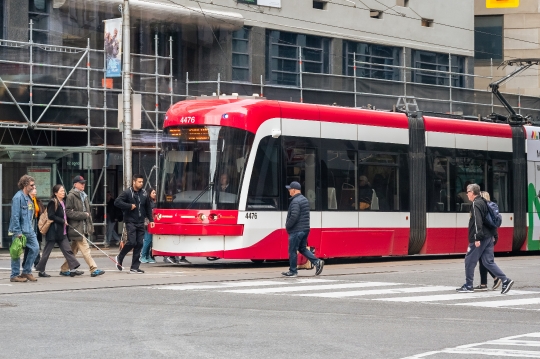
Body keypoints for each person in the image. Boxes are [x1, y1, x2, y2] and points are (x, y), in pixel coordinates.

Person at [456, 183, 513, 294]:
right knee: (488, 262)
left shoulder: (475, 204)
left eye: (467, 192)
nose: (466, 194)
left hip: (480, 237)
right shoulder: (484, 202)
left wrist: (477, 237)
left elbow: (477, 222)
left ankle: (468, 285)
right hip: (489, 236)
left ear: (472, 192)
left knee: (469, 261)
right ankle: (505, 280)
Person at [60, 175, 105, 277]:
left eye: (84, 183)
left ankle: (64, 268)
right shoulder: (71, 196)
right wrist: (83, 215)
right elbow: (68, 212)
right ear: (75, 184)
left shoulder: (83, 195)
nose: (83, 185)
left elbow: (86, 211)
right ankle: (93, 269)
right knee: (86, 249)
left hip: (83, 226)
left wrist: (88, 221)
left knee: (73, 251)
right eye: (81, 183)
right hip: (76, 228)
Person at [35, 185, 82, 278]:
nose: (63, 192)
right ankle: (41, 270)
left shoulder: (63, 202)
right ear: (56, 193)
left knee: (68, 250)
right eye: (61, 191)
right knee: (47, 252)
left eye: (64, 190)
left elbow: (64, 214)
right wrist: (62, 221)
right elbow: (51, 216)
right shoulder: (53, 202)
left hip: (62, 231)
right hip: (53, 231)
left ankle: (73, 269)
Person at [281, 181, 324, 277]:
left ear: (294, 190)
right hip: (305, 229)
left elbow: (294, 216)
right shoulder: (304, 199)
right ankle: (317, 262)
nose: (289, 191)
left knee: (292, 250)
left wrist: (287, 226)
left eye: (290, 189)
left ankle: (293, 271)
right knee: (302, 248)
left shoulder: (295, 201)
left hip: (296, 230)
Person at [114, 174, 155, 273]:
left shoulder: (144, 193)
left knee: (139, 243)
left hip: (141, 222)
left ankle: (134, 267)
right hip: (130, 221)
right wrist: (129, 206)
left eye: (142, 182)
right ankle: (120, 257)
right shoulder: (127, 192)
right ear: (134, 182)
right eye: (139, 182)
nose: (141, 184)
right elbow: (117, 202)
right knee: (132, 242)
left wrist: (151, 220)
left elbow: (148, 207)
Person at [8, 175, 40, 282]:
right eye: (31, 185)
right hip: (20, 231)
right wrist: (17, 231)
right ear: (25, 185)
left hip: (29, 230)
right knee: (16, 252)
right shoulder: (18, 197)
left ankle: (26, 271)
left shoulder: (29, 197)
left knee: (35, 248)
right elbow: (15, 216)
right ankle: (14, 275)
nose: (33, 187)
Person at [474, 191, 501, 291]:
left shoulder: (483, 208)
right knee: (484, 260)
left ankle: (496, 277)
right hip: (492, 236)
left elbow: (480, 224)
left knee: (485, 260)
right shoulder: (492, 208)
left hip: (486, 237)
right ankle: (484, 283)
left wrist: (477, 237)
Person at [22, 187, 43, 269]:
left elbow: (39, 211)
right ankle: (31, 264)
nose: (36, 190)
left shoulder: (36, 200)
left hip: (35, 223)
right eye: (34, 189)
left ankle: (35, 263)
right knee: (32, 245)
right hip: (29, 224)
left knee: (35, 244)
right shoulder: (27, 200)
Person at [141, 188, 157, 263]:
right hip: (147, 223)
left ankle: (147, 256)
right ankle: (143, 256)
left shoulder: (154, 201)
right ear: (149, 193)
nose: (155, 194)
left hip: (152, 223)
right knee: (148, 240)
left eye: (155, 193)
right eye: (153, 193)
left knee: (150, 241)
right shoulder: (148, 202)